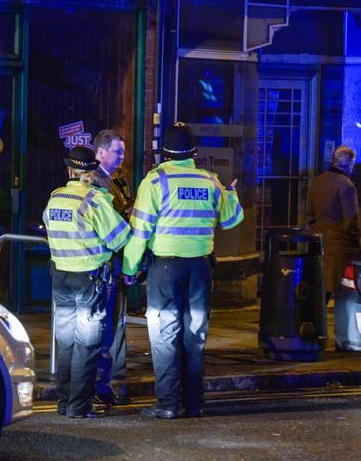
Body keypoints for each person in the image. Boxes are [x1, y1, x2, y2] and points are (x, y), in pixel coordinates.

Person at [123, 122, 243, 419]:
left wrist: (130, 267)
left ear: (164, 153)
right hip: (200, 269)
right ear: (194, 153)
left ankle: (167, 404)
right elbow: (231, 221)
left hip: (165, 267)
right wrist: (232, 194)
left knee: (165, 336)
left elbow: (140, 232)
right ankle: (194, 403)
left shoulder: (155, 182)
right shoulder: (211, 181)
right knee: (194, 335)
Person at [44, 145, 131, 418]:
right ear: (90, 172)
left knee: (66, 343)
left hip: (61, 279)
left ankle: (64, 401)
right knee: (87, 345)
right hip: (89, 281)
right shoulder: (94, 200)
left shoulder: (55, 198)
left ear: (70, 171)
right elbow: (120, 238)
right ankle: (79, 406)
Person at [91, 129, 133, 406]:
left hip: (112, 264)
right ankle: (99, 386)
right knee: (104, 327)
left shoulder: (113, 180)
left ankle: (103, 382)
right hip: (104, 264)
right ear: (100, 152)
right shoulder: (95, 182)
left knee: (111, 324)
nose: (122, 156)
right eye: (117, 151)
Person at [307, 145, 361, 303]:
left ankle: (314, 323)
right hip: (340, 247)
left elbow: (309, 215)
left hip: (319, 242)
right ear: (349, 163)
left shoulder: (317, 181)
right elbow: (350, 220)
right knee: (344, 292)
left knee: (321, 291)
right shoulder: (347, 186)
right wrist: (356, 241)